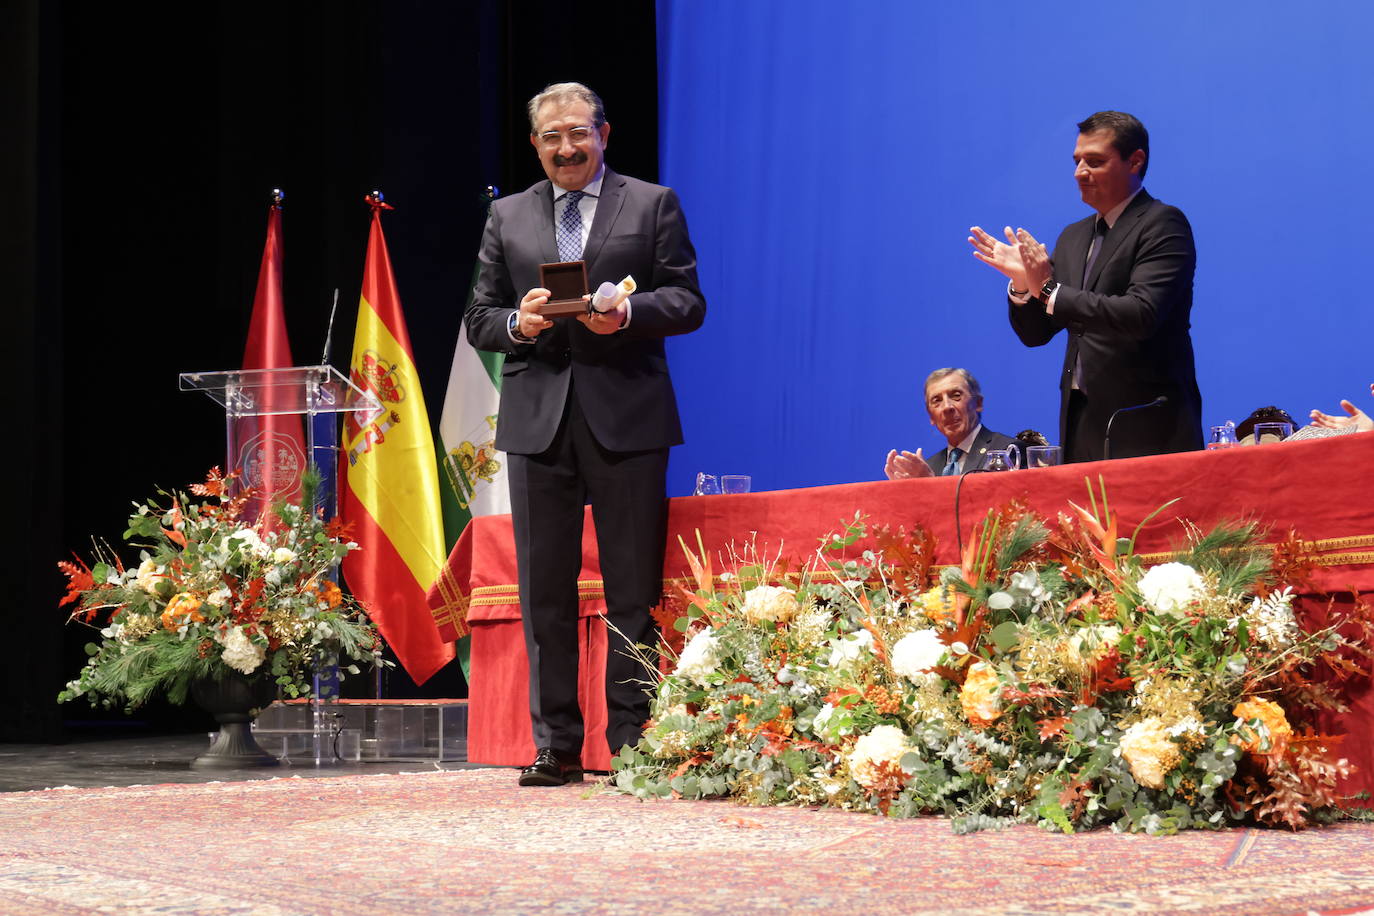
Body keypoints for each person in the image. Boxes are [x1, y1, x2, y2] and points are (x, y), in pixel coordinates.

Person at [464, 82, 707, 787]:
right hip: (537, 420)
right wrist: (521, 323)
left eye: (578, 133)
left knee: (632, 589)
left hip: (627, 416)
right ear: (535, 144)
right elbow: (480, 316)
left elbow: (687, 299)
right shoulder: (506, 216)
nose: (566, 148)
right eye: (551, 137)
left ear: (604, 133)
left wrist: (626, 316)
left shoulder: (652, 202)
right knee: (545, 592)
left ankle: (631, 743)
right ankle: (556, 744)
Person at [968, 111, 1203, 463]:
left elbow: (1140, 313)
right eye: (1077, 161)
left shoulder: (1162, 223)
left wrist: (1046, 289)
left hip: (1147, 424)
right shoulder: (1073, 236)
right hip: (1082, 422)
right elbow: (1037, 332)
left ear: (1135, 161)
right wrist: (1021, 285)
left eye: (1095, 161)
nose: (1080, 172)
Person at [884, 368, 1019, 478]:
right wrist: (903, 493)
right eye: (937, 400)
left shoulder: (1008, 451)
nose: (947, 407)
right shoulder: (929, 466)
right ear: (931, 416)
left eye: (956, 395)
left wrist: (930, 487)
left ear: (978, 403)